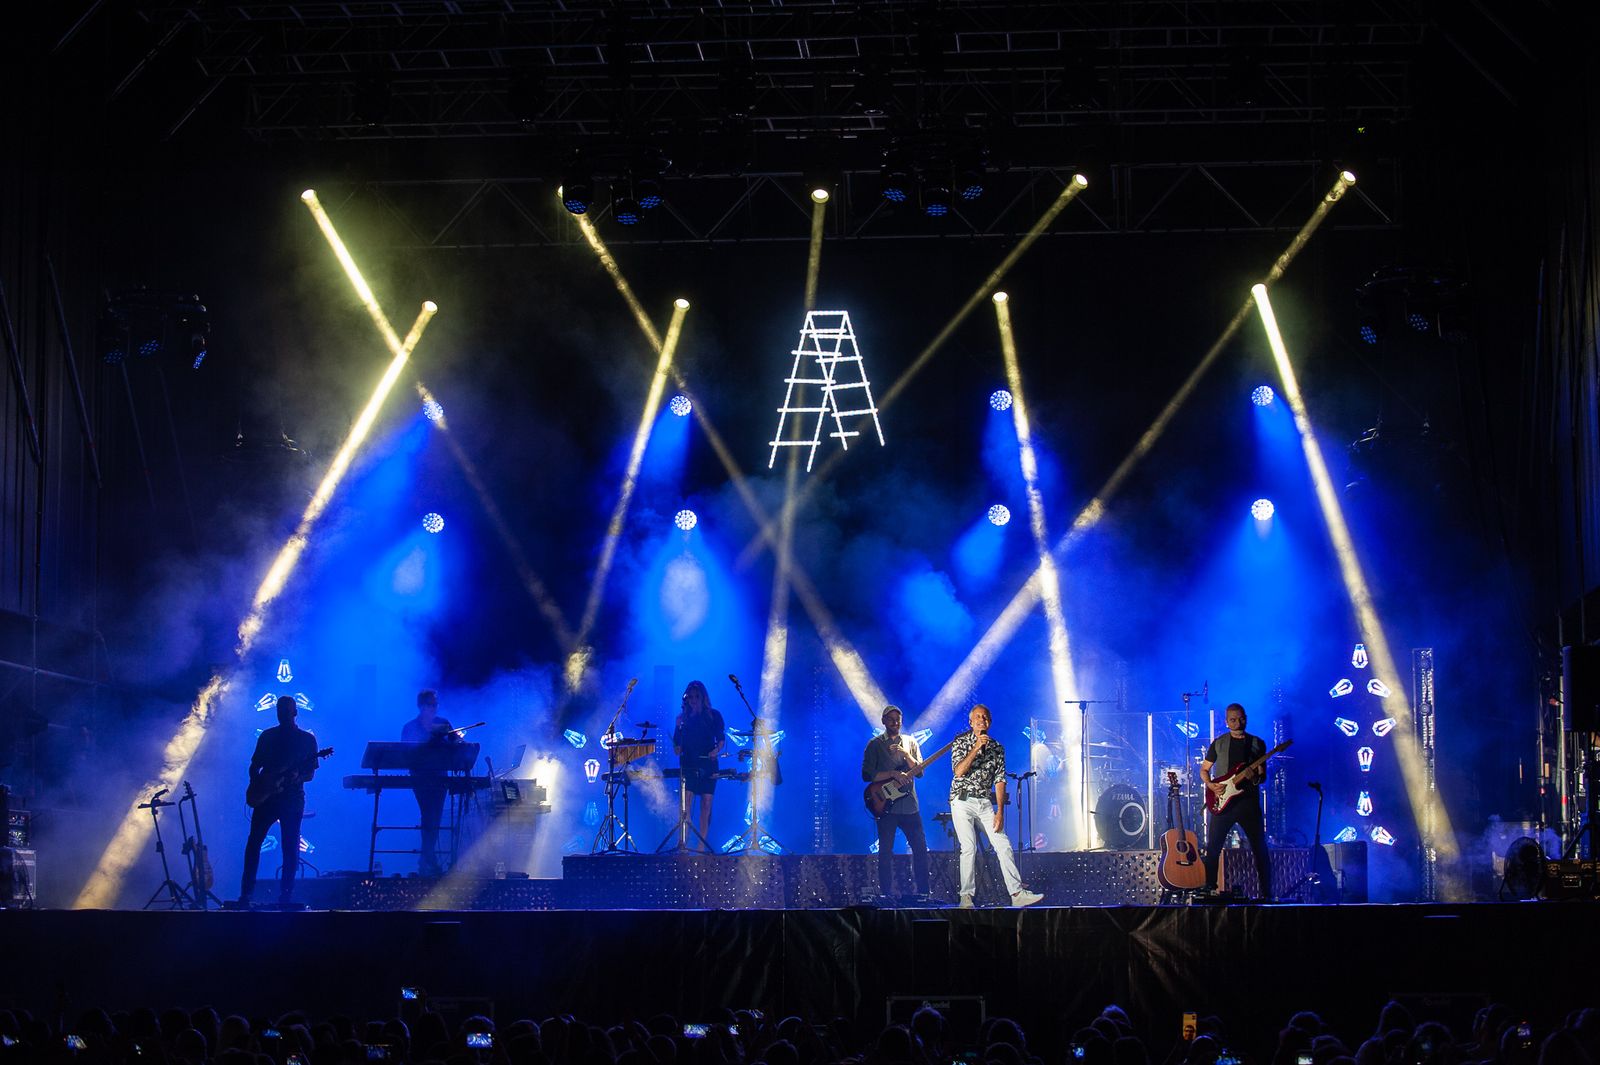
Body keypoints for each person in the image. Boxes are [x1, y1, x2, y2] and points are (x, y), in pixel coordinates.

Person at [948, 704, 1043, 908]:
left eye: (986, 717)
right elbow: (958, 771)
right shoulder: (960, 742)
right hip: (962, 800)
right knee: (969, 847)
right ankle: (966, 897)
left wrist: (1000, 811)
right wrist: (975, 748)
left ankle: (1017, 894)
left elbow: (1000, 780)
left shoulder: (997, 748)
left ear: (990, 722)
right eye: (978, 717)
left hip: (984, 802)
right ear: (971, 722)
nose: (982, 720)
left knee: (1003, 844)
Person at [240, 695, 320, 904]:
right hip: (267, 799)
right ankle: (246, 894)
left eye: (286, 710)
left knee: (290, 846)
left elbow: (310, 774)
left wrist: (296, 778)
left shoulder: (307, 740)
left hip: (291, 799)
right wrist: (258, 785)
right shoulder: (267, 737)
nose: (282, 714)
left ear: (294, 712)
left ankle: (286, 895)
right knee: (254, 843)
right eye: (280, 710)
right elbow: (254, 765)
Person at [1201, 702, 1273, 898]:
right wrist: (1210, 785)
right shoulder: (1218, 743)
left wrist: (1255, 776)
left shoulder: (1257, 743)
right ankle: (1209, 887)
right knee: (1213, 847)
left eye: (1241, 718)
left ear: (1246, 718)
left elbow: (1262, 777)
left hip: (1248, 804)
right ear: (1226, 722)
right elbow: (1204, 769)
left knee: (1259, 848)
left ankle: (1266, 891)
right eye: (1233, 720)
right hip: (1223, 803)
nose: (1238, 722)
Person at [861, 705, 931, 901]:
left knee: (919, 847)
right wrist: (892, 774)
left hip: (909, 806)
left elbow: (921, 772)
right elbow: (867, 775)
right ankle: (885, 893)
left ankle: (924, 893)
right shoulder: (874, 745)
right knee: (885, 850)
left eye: (898, 719)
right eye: (891, 719)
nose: (895, 722)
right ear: (883, 721)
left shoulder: (910, 742)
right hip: (886, 806)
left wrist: (906, 754)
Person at [403, 689, 460, 875]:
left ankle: (427, 857)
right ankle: (428, 857)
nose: (433, 708)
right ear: (421, 706)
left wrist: (456, 740)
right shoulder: (410, 726)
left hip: (440, 775)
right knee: (428, 814)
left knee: (434, 816)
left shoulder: (443, 723)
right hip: (420, 776)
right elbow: (405, 751)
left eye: (435, 704)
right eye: (430, 704)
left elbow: (457, 743)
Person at [672, 680, 725, 849]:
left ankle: (701, 846)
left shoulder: (714, 715)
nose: (693, 700)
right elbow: (676, 748)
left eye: (696, 696)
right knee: (686, 802)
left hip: (708, 764)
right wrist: (677, 729)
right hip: (689, 764)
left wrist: (715, 750)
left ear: (703, 697)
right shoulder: (683, 719)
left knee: (706, 803)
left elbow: (721, 739)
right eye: (690, 697)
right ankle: (684, 842)